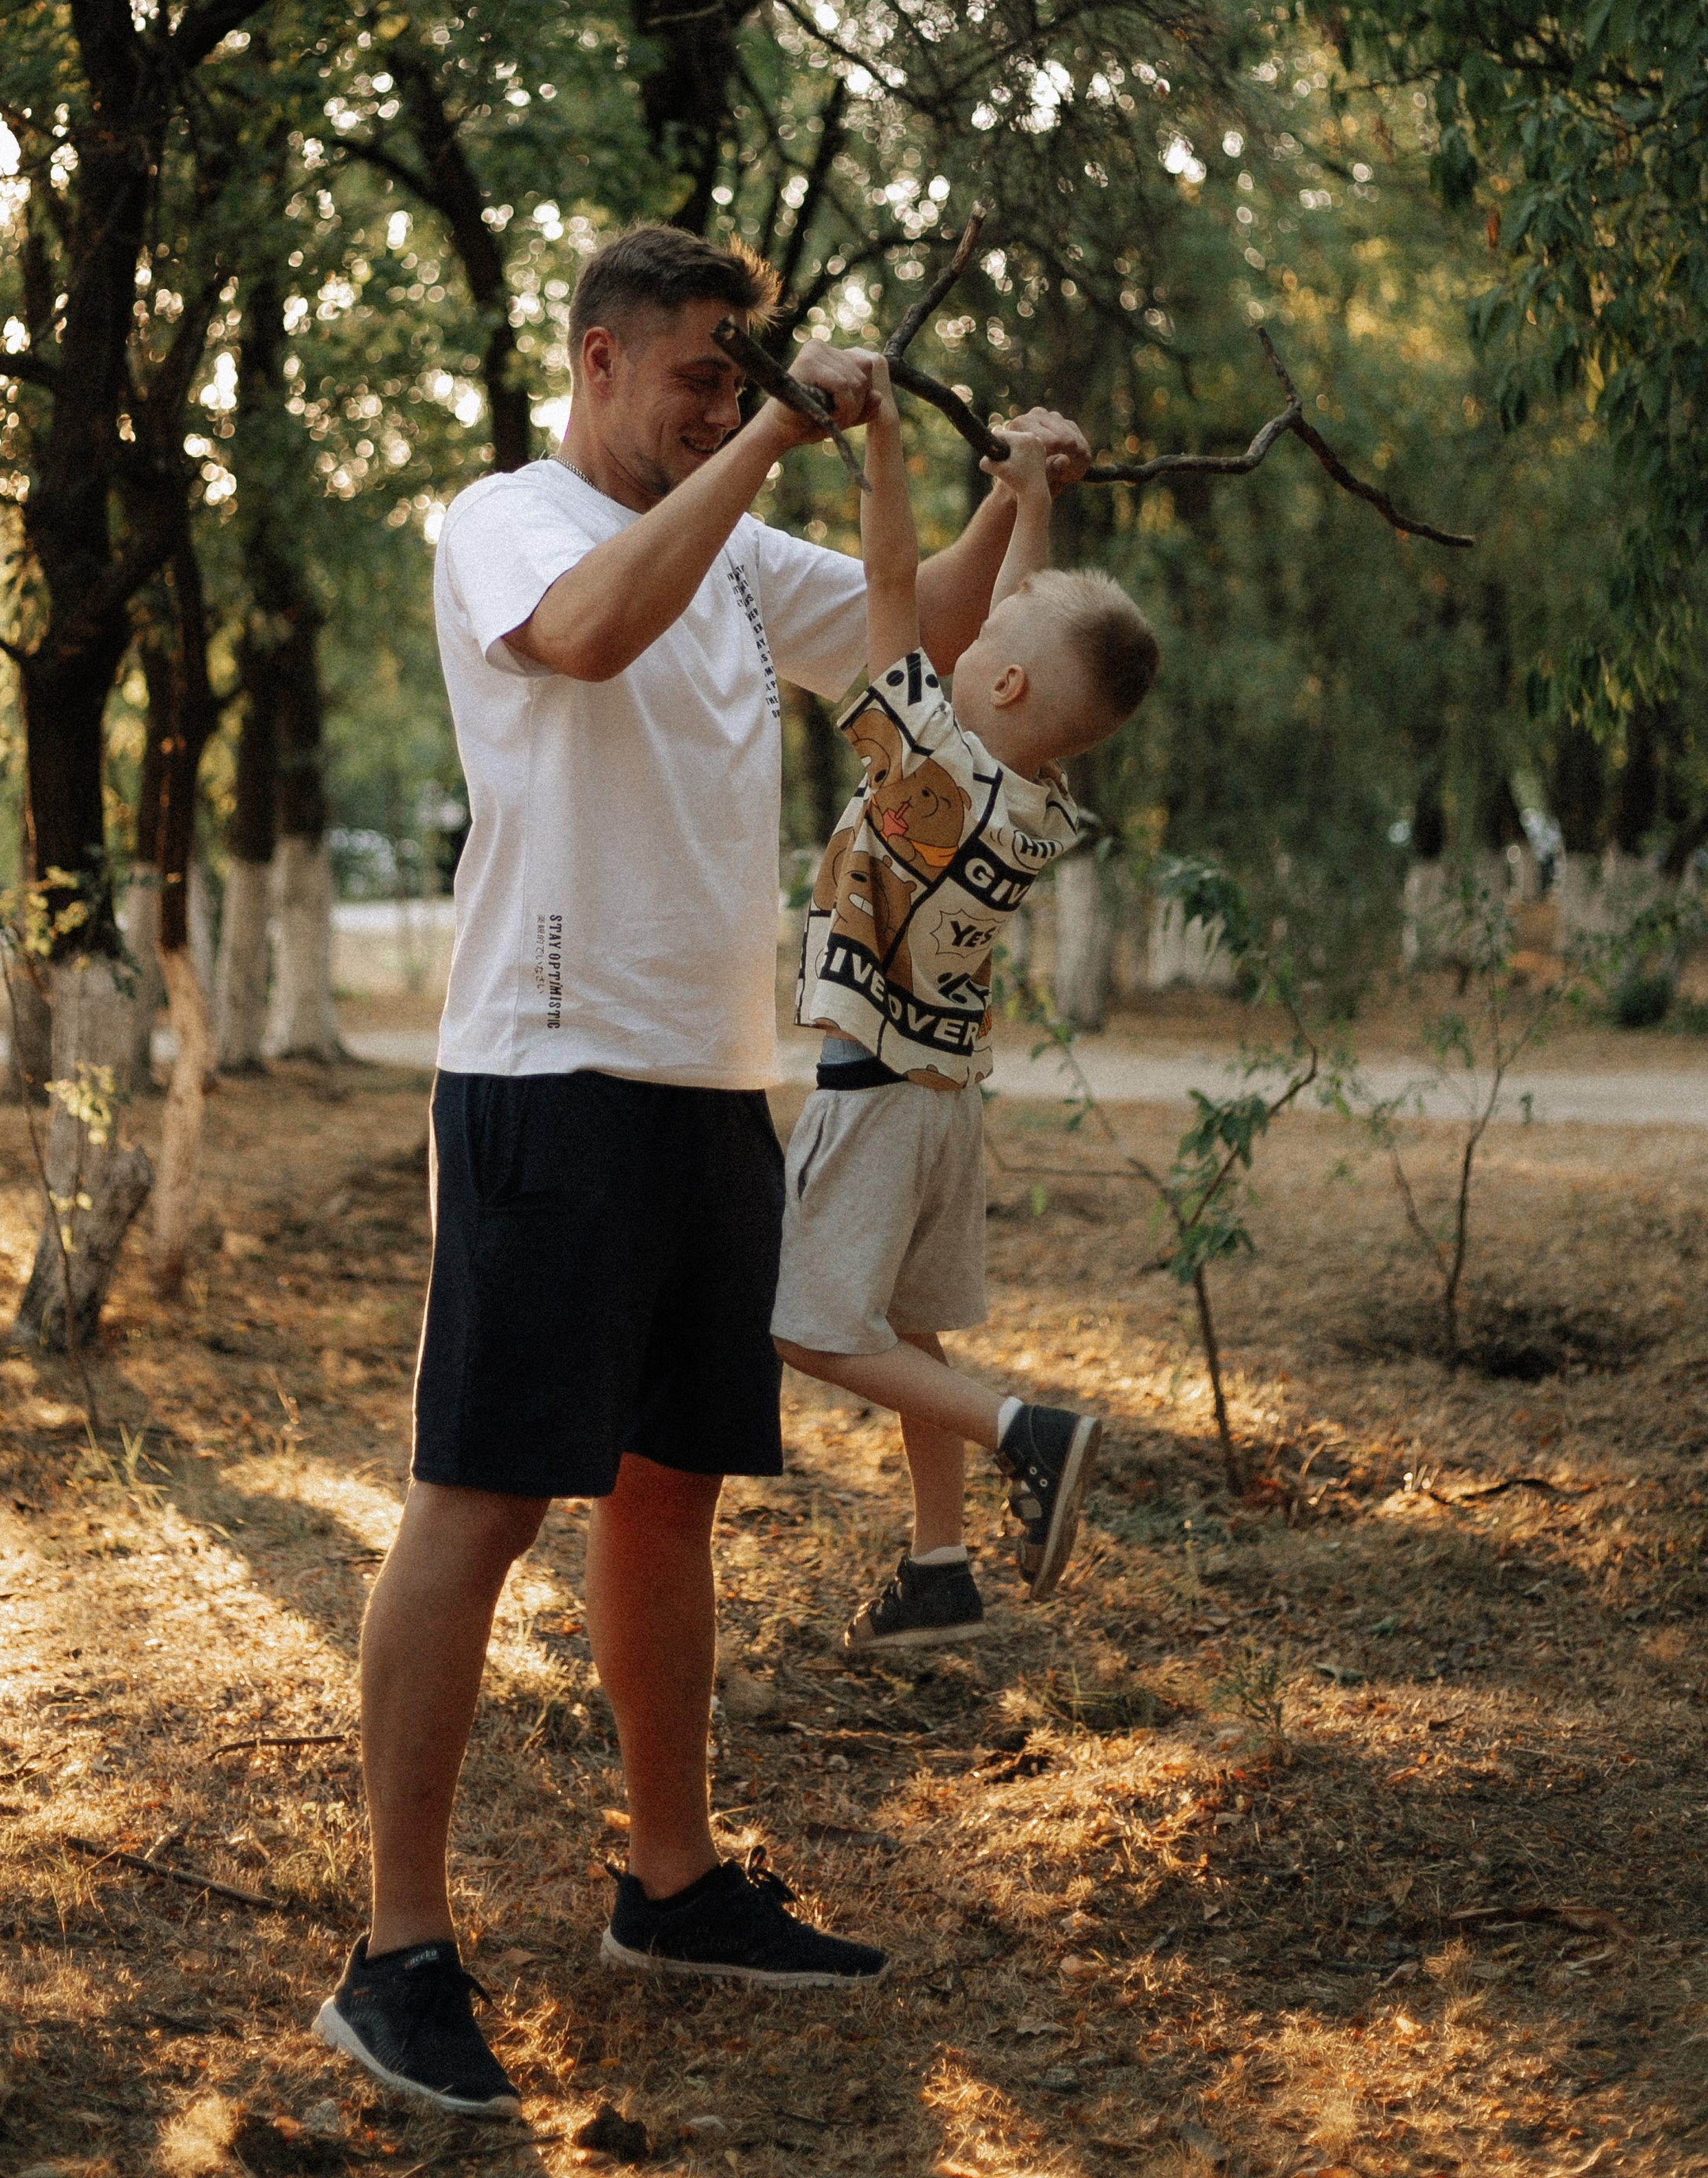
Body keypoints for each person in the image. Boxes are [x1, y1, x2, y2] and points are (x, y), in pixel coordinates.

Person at [312, 223, 1064, 2119]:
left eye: (740, 381)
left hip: (714, 1083)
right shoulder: (508, 518)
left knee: (667, 1501)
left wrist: (1003, 488)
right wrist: (766, 449)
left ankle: (669, 1881)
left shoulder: (739, 549)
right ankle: (395, 1954)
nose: (726, 408)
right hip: (543, 1077)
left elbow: (931, 638)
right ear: (597, 361)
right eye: (699, 379)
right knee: (478, 1504)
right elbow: (583, 636)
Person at [772, 357, 1158, 1655]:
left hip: (873, 1094)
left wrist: (881, 440)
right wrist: (1031, 495)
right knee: (907, 1324)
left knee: (810, 1326)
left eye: (981, 643)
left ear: (991, 688)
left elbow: (892, 588)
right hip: (947, 1106)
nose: (963, 634)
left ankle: (1021, 1434)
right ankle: (940, 1569)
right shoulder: (1034, 802)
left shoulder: (924, 764)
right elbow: (1019, 622)